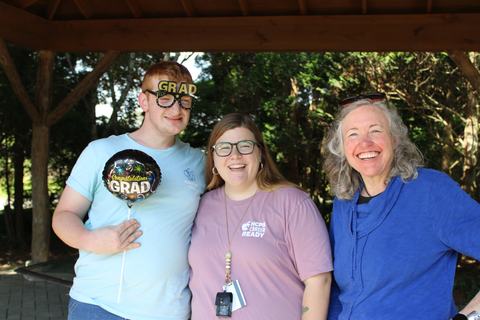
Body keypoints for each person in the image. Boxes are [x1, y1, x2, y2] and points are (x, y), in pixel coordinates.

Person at [52, 61, 205, 320]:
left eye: (184, 99)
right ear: (144, 101)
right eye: (165, 98)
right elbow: (63, 216)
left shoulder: (200, 163)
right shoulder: (100, 151)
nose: (176, 108)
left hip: (170, 311)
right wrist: (91, 240)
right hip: (99, 306)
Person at [323, 93, 480, 320]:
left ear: (395, 139)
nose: (364, 143)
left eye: (375, 131)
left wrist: (466, 318)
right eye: (352, 134)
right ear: (342, 148)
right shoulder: (343, 202)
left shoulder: (431, 191)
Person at [188, 113, 332, 320]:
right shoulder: (200, 206)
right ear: (213, 157)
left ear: (261, 153)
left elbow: (319, 281)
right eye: (224, 147)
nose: (235, 155)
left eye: (245, 146)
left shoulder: (293, 202)